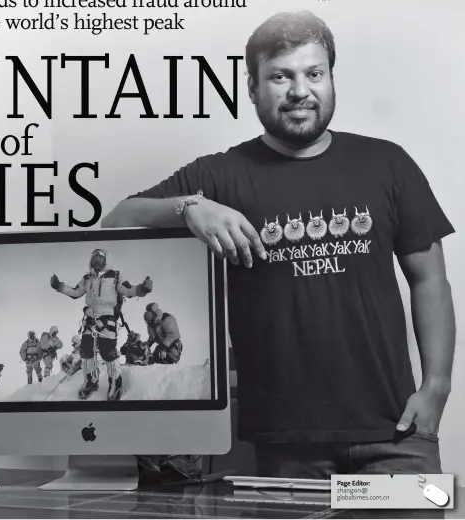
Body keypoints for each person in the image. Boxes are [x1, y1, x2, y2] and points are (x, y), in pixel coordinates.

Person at [101, 10, 455, 481]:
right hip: (279, 447)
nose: (299, 91)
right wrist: (189, 206)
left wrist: (436, 389)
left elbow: (430, 279)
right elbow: (116, 222)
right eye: (279, 77)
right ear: (252, 88)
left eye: (314, 73)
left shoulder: (387, 163)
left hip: (396, 436)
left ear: (330, 78)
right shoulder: (217, 176)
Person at [50, 248, 153, 400]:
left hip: (107, 318)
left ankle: (115, 382)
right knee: (86, 350)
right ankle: (91, 380)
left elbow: (128, 290)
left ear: (107, 261)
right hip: (90, 318)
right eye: (95, 258)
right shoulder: (87, 278)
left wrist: (143, 288)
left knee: (108, 351)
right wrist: (59, 287)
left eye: (101, 258)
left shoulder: (115, 276)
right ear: (91, 261)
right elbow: (76, 292)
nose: (98, 261)